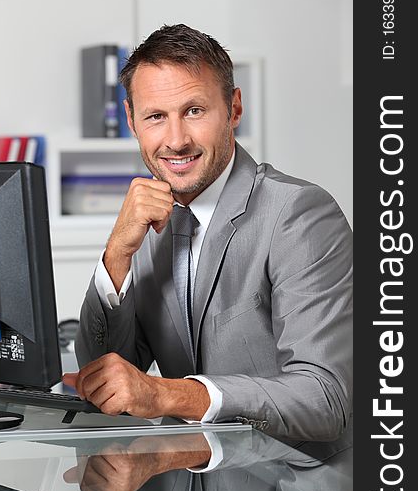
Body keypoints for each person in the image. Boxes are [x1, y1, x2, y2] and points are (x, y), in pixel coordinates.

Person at [63, 24, 353, 442]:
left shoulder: (299, 214)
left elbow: (326, 400)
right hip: (194, 486)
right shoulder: (147, 224)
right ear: (131, 119)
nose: (176, 140)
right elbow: (103, 379)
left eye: (194, 111)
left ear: (234, 108)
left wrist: (169, 395)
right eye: (156, 117)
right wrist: (116, 255)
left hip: (291, 489)